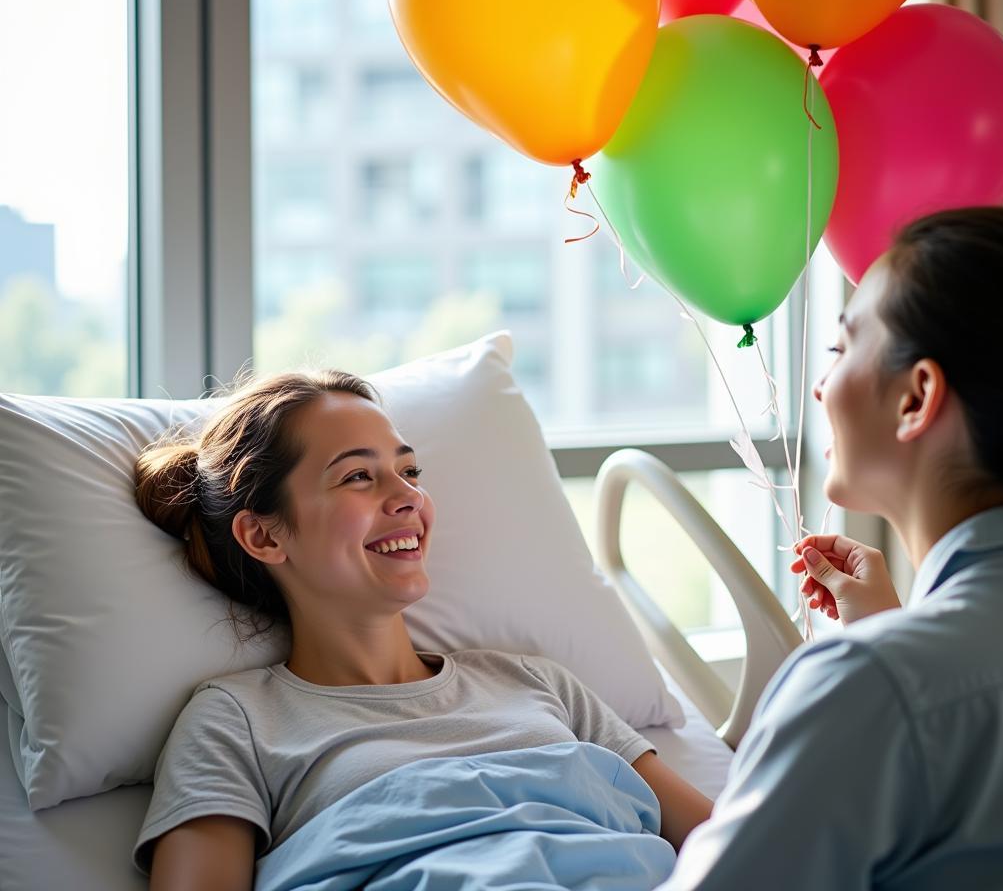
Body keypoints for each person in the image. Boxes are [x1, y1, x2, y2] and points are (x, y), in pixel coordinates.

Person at [132, 370, 713, 890]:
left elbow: (737, 840)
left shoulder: (537, 683)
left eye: (409, 471)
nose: (408, 496)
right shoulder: (236, 722)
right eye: (359, 476)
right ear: (264, 536)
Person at [659, 206, 1003, 890]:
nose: (822, 386)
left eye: (840, 348)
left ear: (917, 397)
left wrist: (880, 670)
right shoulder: (894, 679)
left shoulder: (868, 688)